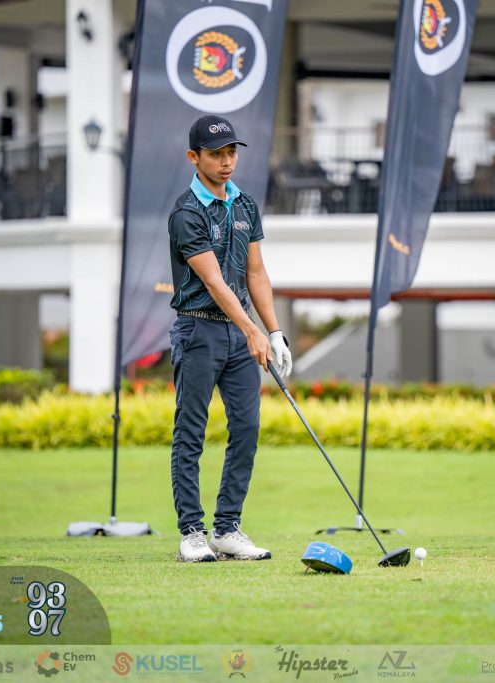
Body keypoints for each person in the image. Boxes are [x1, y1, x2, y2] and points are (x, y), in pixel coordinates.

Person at [167, 114, 293, 563]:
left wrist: (274, 331)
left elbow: (255, 273)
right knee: (191, 432)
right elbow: (216, 282)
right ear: (194, 157)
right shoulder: (187, 213)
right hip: (198, 329)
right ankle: (192, 533)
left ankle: (226, 529)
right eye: (216, 154)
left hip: (239, 336)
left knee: (247, 428)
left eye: (231, 153)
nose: (226, 162)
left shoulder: (245, 205)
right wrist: (252, 330)